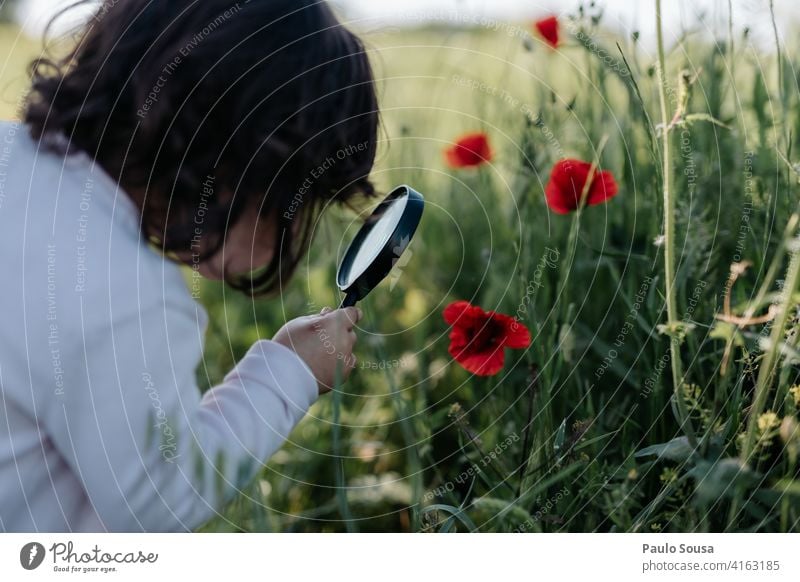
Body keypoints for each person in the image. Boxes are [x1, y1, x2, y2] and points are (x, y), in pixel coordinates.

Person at [0, 0, 378, 532]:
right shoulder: (125, 297)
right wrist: (287, 375)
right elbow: (160, 499)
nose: (296, 230)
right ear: (238, 164)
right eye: (299, 200)